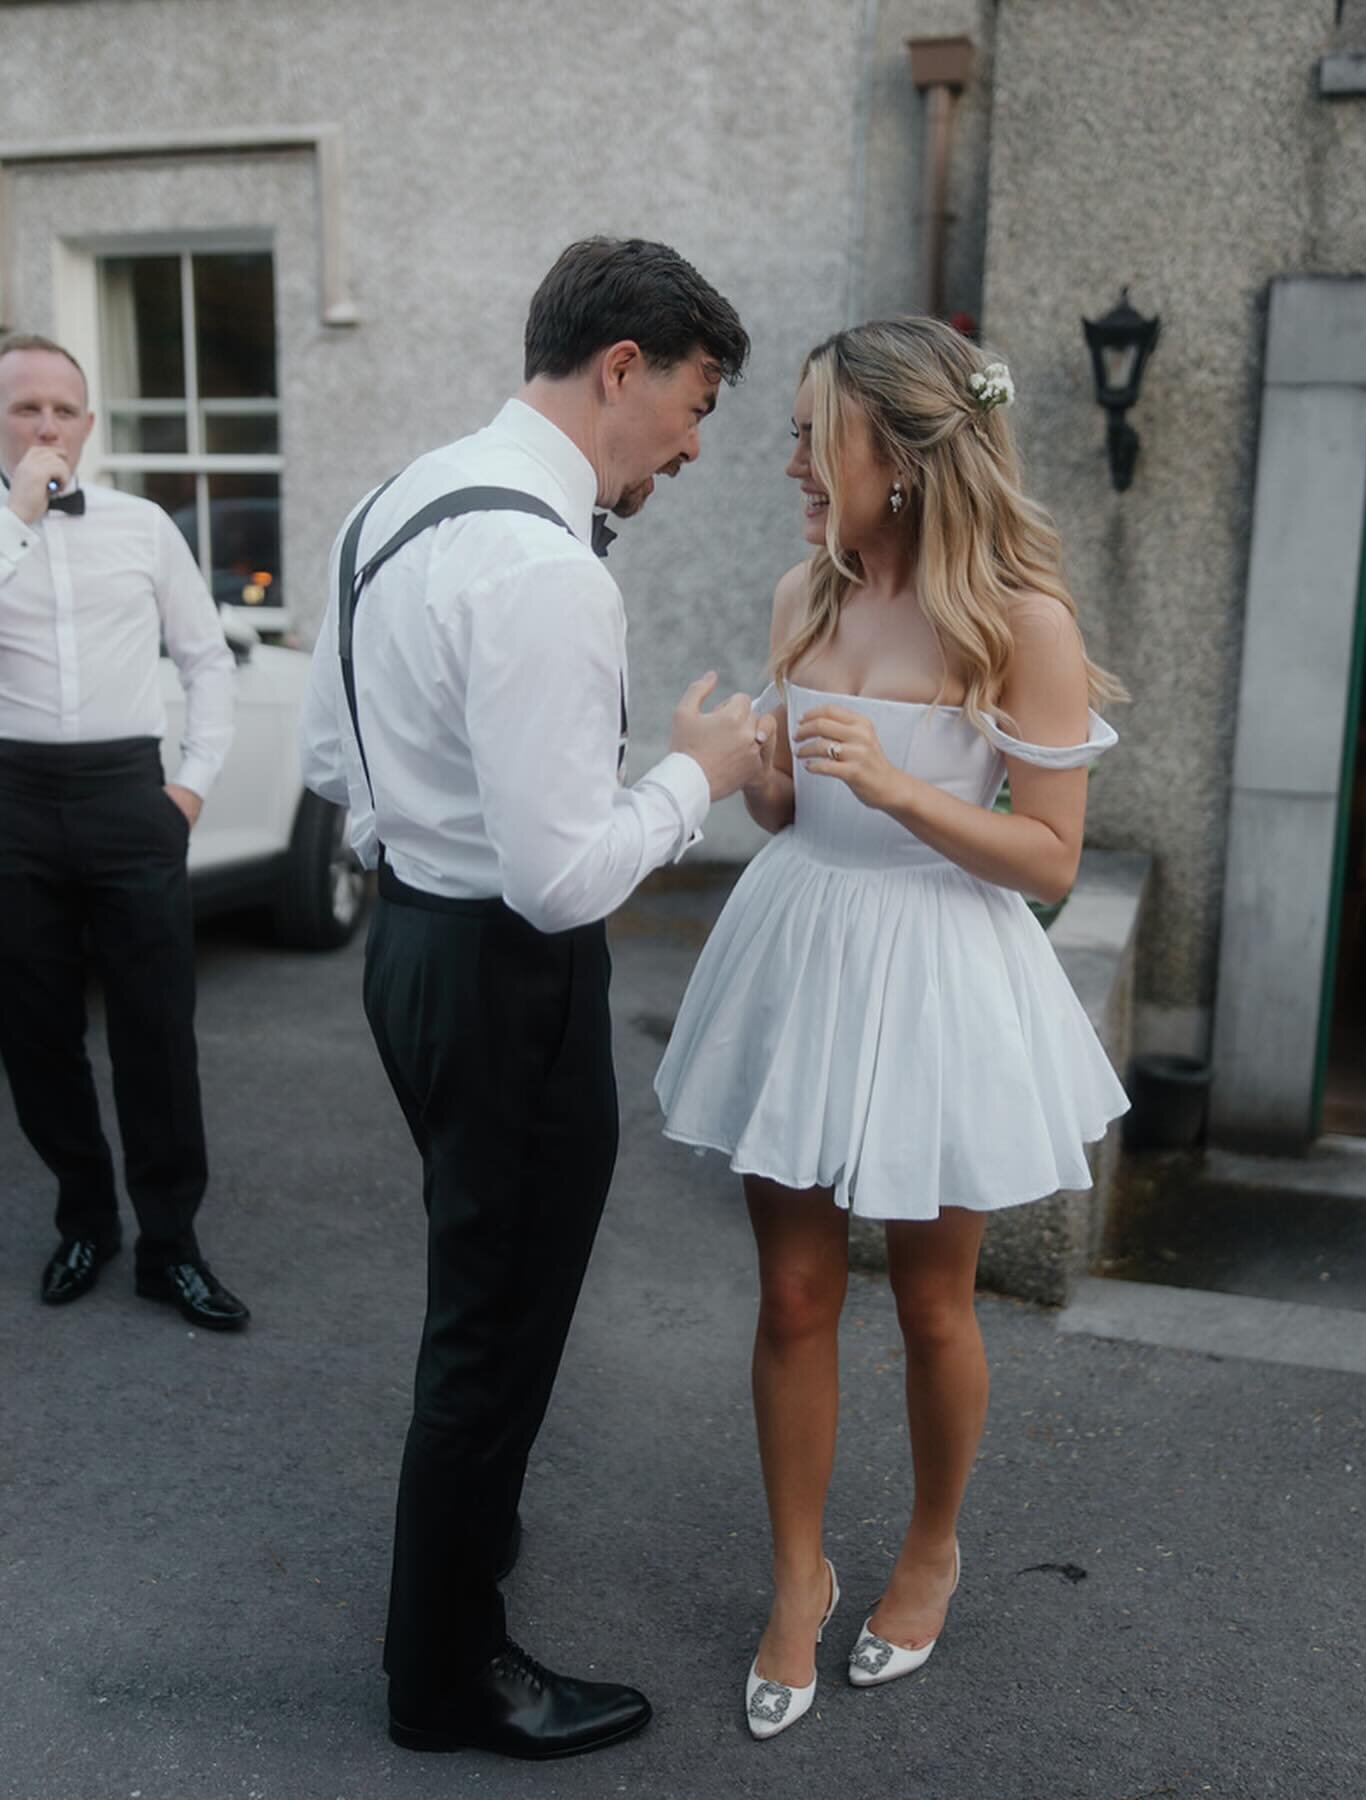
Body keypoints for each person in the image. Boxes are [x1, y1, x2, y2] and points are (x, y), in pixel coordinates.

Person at [300, 238, 768, 1762]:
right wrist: (698, 773)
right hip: (509, 974)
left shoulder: (391, 502)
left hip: (415, 953)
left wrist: (417, 858)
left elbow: (328, 754)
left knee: (480, 1292)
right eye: (696, 404)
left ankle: (464, 1556)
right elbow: (568, 880)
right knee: (493, 1325)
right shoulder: (548, 573)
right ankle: (443, 1675)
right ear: (621, 368)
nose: (696, 445)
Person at [654, 317, 1130, 1739]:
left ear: (906, 455)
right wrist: (756, 769)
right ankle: (797, 1577)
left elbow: (1050, 859)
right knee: (795, 1294)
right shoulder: (807, 591)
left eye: (815, 434)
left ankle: (932, 1546)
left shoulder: (1022, 621)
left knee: (934, 1299)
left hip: (941, 962)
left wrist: (915, 792)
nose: (791, 460)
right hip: (804, 942)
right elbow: (794, 810)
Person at [0, 333, 249, 1332]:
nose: (49, 426)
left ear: (90, 423)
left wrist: (187, 789)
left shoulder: (145, 527)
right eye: (26, 408)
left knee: (157, 1032)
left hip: (128, 800)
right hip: (14, 802)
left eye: (65, 408)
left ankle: (170, 1245)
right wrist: (20, 517)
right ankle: (85, 1218)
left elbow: (208, 661)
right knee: (36, 1034)